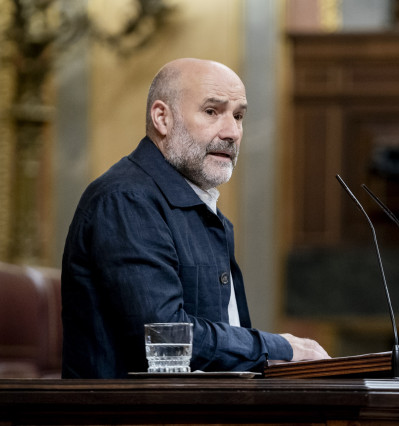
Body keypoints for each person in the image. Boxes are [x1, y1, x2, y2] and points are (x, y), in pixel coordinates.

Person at [61, 58, 330, 379]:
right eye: (212, 112)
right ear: (162, 117)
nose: (232, 132)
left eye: (239, 116)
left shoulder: (206, 212)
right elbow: (163, 337)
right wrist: (280, 348)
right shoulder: (127, 199)